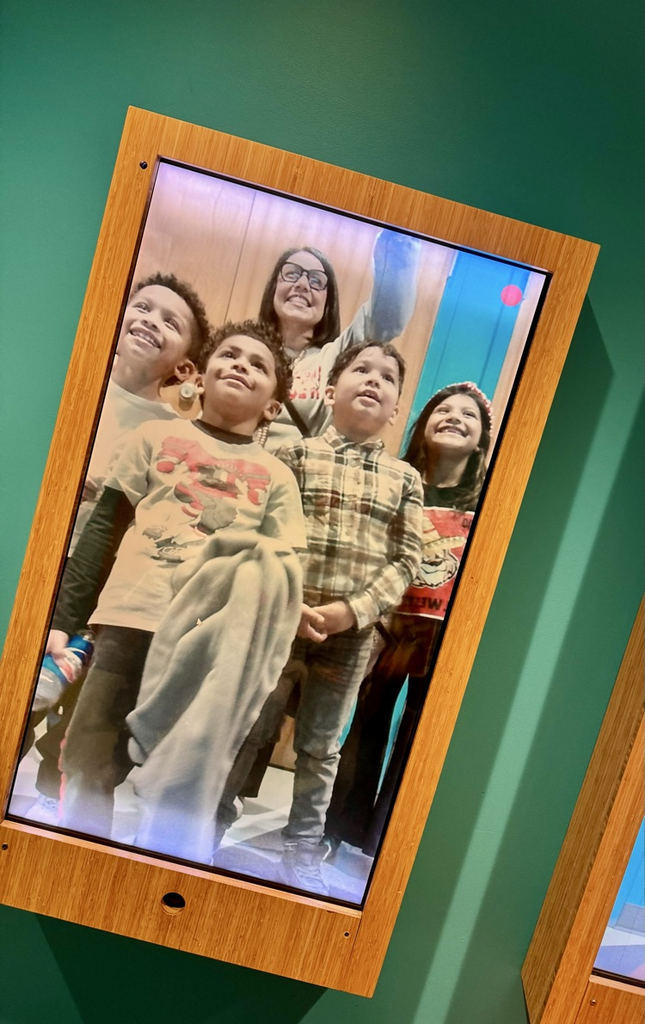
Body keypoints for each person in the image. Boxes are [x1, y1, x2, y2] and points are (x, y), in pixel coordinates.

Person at [46, 320, 306, 842]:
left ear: (273, 406)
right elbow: (102, 531)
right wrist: (63, 620)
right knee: (89, 755)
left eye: (259, 366)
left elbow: (284, 567)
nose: (241, 366)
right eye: (229, 356)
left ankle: (158, 874)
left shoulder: (278, 476)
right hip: (129, 620)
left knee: (183, 781)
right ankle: (72, 859)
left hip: (209, 643)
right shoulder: (153, 435)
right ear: (201, 377)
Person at [213, 341, 425, 895]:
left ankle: (302, 848)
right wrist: (289, 602)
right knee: (248, 729)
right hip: (279, 622)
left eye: (387, 378)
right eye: (361, 370)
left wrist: (349, 612)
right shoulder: (295, 456)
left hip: (349, 637)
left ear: (397, 407)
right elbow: (265, 533)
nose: (373, 381)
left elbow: (408, 560)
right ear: (331, 389)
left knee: (321, 747)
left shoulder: (405, 479)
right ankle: (208, 823)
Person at [22, 272, 211, 822]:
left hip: (94, 589)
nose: (151, 321)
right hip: (33, 562)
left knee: (60, 702)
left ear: (184, 366)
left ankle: (41, 799)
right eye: (144, 307)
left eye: (171, 322)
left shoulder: (171, 435)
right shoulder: (69, 382)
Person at [325, 381, 493, 857]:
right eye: (444, 409)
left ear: (481, 440)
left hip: (444, 633)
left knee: (420, 729)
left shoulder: (485, 503)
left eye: (469, 415)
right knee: (365, 720)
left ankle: (385, 837)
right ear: (422, 424)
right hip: (385, 625)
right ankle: (338, 827)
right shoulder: (396, 482)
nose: (455, 417)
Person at [257, 230, 420, 450]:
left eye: (316, 281)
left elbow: (386, 318)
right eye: (292, 273)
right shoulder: (245, 349)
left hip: (295, 479)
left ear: (328, 304)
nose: (303, 284)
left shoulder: (337, 356)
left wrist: (400, 245)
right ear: (273, 287)